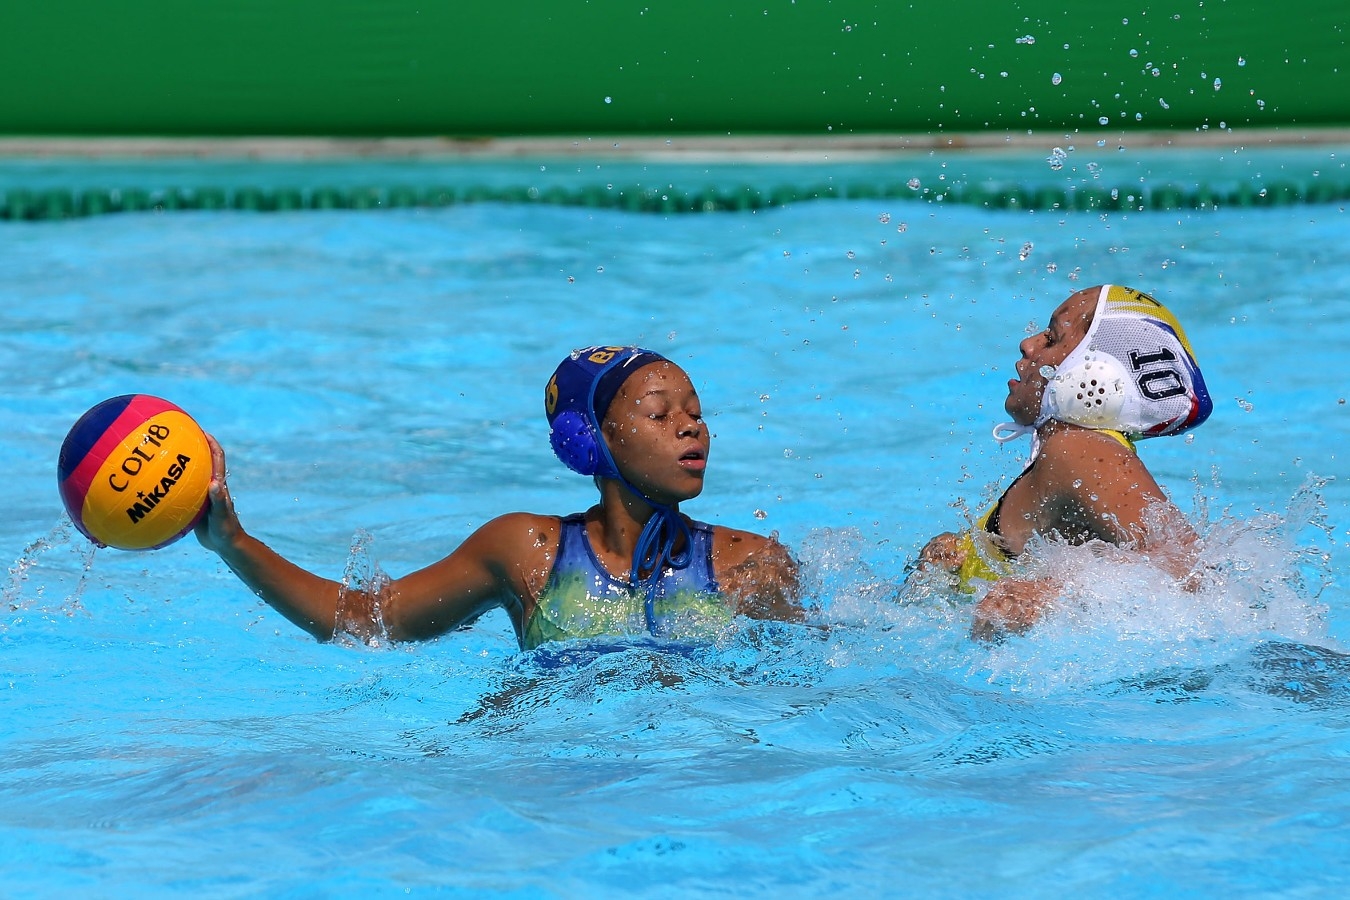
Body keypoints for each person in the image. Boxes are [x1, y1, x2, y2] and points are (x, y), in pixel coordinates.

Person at [195, 346, 802, 649]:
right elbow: (366, 623)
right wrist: (234, 544)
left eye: (695, 413)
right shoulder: (526, 551)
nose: (691, 426)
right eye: (659, 414)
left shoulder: (750, 566)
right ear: (588, 440)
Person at [916, 284, 1213, 639]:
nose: (1028, 344)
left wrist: (1053, 591)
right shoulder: (1069, 452)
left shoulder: (1079, 450)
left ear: (1096, 374)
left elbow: (1187, 567)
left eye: (1052, 338)